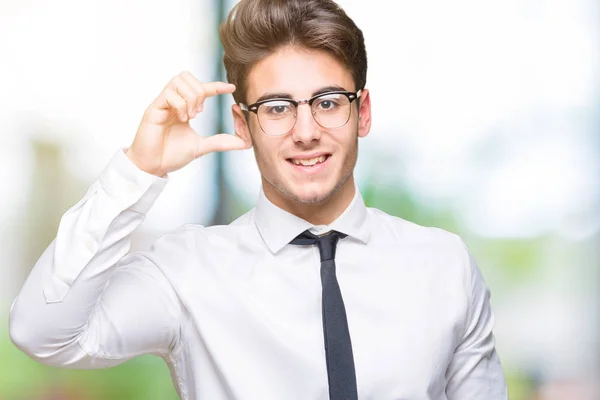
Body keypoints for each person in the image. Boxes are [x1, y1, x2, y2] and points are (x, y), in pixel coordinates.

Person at [9, 0, 508, 399]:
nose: (306, 131)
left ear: (364, 113)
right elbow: (43, 332)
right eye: (276, 108)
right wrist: (139, 169)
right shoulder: (187, 272)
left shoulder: (444, 266)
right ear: (242, 124)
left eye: (329, 102)